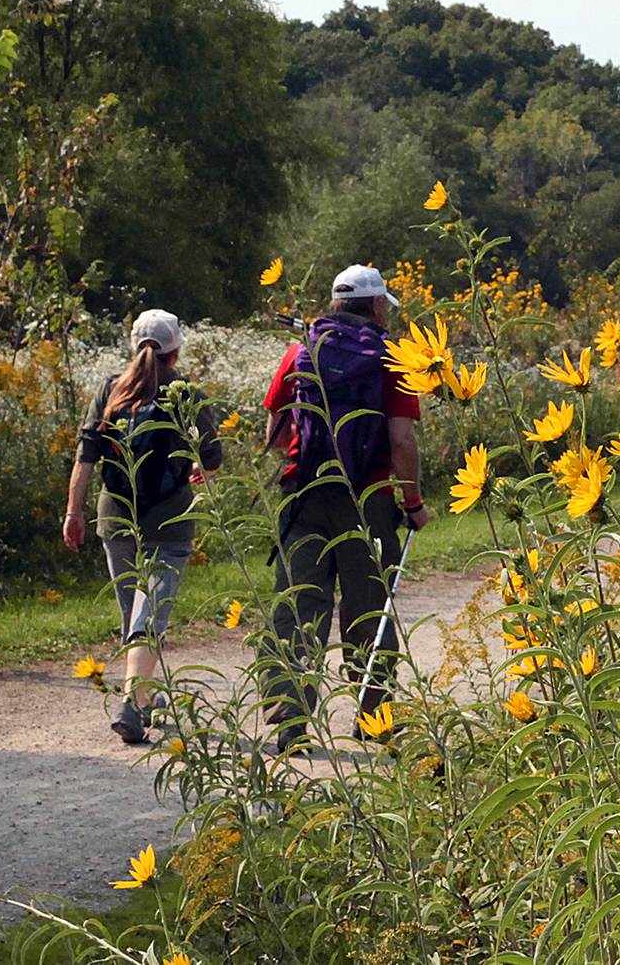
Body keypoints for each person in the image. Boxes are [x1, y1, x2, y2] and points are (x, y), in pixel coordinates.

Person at [262, 264, 433, 755]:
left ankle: (290, 723)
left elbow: (274, 429)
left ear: (335, 305)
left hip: (303, 495)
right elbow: (401, 440)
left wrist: (307, 458)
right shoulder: (391, 358)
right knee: (367, 609)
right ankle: (373, 718)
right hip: (370, 500)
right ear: (377, 306)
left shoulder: (300, 351)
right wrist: (414, 503)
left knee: (299, 606)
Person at [64, 309, 223, 745]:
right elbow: (212, 456)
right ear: (175, 349)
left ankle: (144, 699)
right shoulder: (186, 392)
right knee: (148, 619)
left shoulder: (110, 389)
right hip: (169, 522)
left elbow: (86, 457)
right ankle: (133, 707)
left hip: (114, 517)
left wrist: (73, 513)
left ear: (133, 345)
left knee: (133, 615)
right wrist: (195, 470)